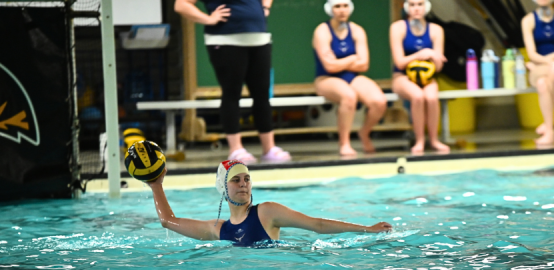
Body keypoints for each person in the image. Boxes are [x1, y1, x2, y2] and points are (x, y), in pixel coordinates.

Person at [147, 160, 392, 246]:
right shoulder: (217, 230)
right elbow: (168, 222)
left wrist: (367, 229)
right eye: (236, 180)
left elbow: (316, 224)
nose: (243, 184)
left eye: (247, 179)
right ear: (223, 188)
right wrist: (156, 184)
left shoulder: (266, 212)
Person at [174, 0, 291, 164]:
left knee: (262, 94)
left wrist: (265, 7)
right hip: (225, 40)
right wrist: (208, 19)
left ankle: (269, 148)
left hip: (259, 38)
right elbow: (181, 5)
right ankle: (236, 149)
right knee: (231, 92)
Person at [312, 0, 388, 157]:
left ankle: (364, 133)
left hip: (353, 77)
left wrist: (339, 62)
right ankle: (344, 143)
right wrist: (352, 58)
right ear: (330, 9)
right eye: (337, 6)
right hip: (326, 79)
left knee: (379, 102)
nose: (342, 10)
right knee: (348, 96)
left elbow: (364, 64)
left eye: (345, 6)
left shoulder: (357, 31)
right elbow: (329, 67)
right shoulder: (322, 31)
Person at [390, 0, 450, 155]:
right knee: (417, 96)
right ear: (406, 7)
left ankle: (434, 140)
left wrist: (436, 58)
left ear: (427, 7)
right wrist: (422, 54)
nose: (416, 9)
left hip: (427, 77)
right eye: (412, 5)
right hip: (402, 77)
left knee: (430, 98)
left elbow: (439, 67)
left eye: (420, 4)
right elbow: (399, 62)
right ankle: (419, 140)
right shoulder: (398, 28)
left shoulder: (436, 30)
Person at [521, 0, 554, 149]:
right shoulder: (528, 20)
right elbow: (532, 53)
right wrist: (550, 63)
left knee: (550, 78)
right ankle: (550, 129)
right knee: (545, 79)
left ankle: (548, 127)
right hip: (540, 68)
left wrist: (552, 64)